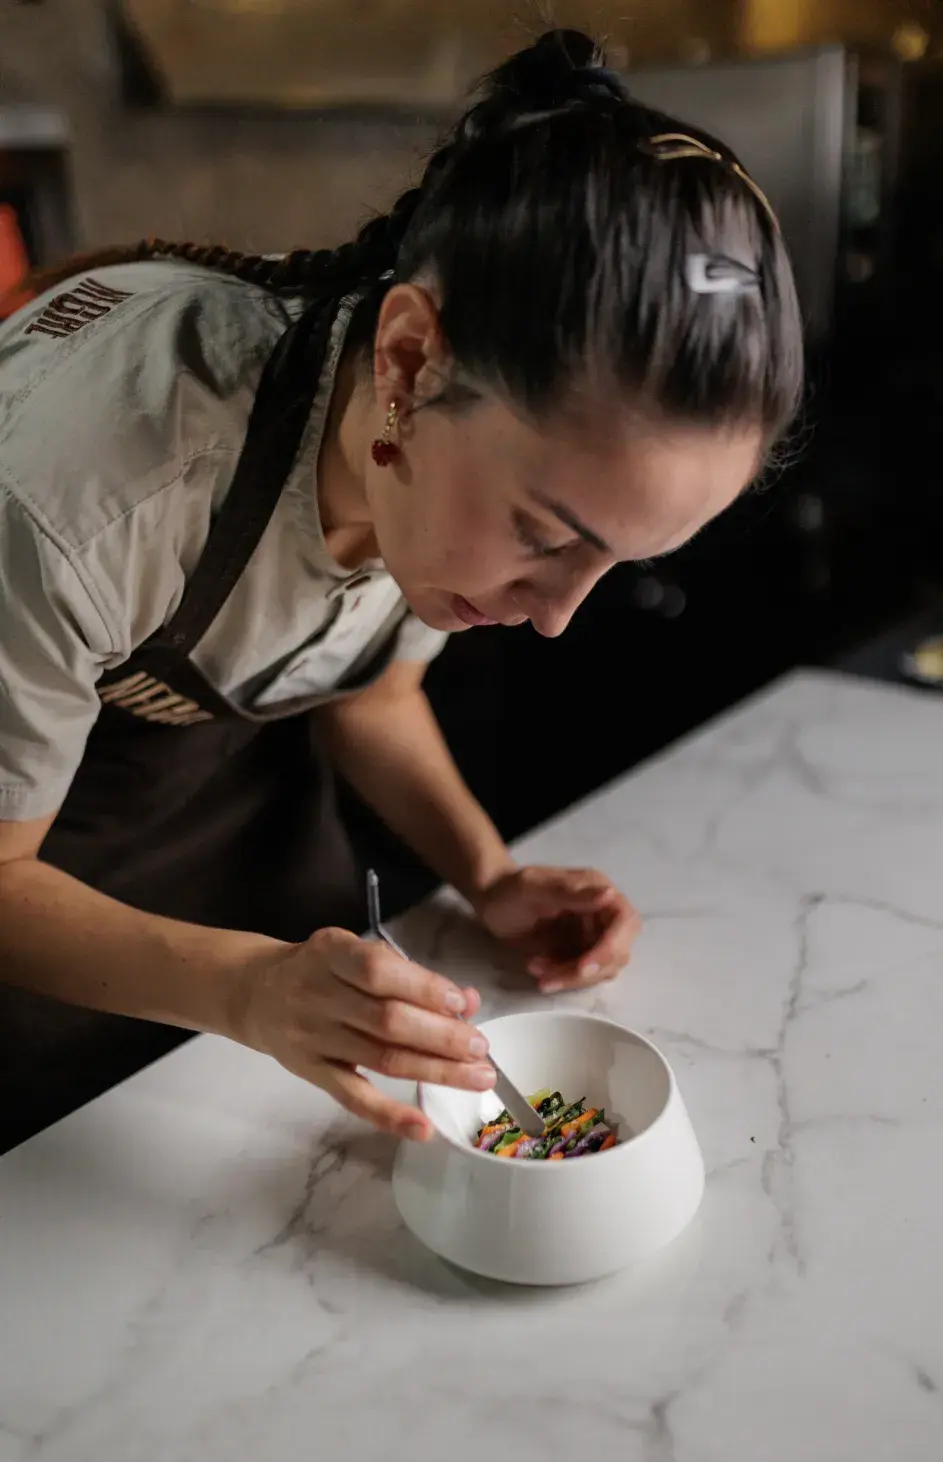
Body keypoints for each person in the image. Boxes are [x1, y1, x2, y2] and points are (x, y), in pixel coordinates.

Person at [0, 30, 802, 1151]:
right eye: (543, 534)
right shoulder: (88, 489)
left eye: (613, 562)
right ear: (412, 359)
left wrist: (490, 875)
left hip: (271, 910)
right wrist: (243, 992)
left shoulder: (410, 445)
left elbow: (369, 693)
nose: (559, 612)